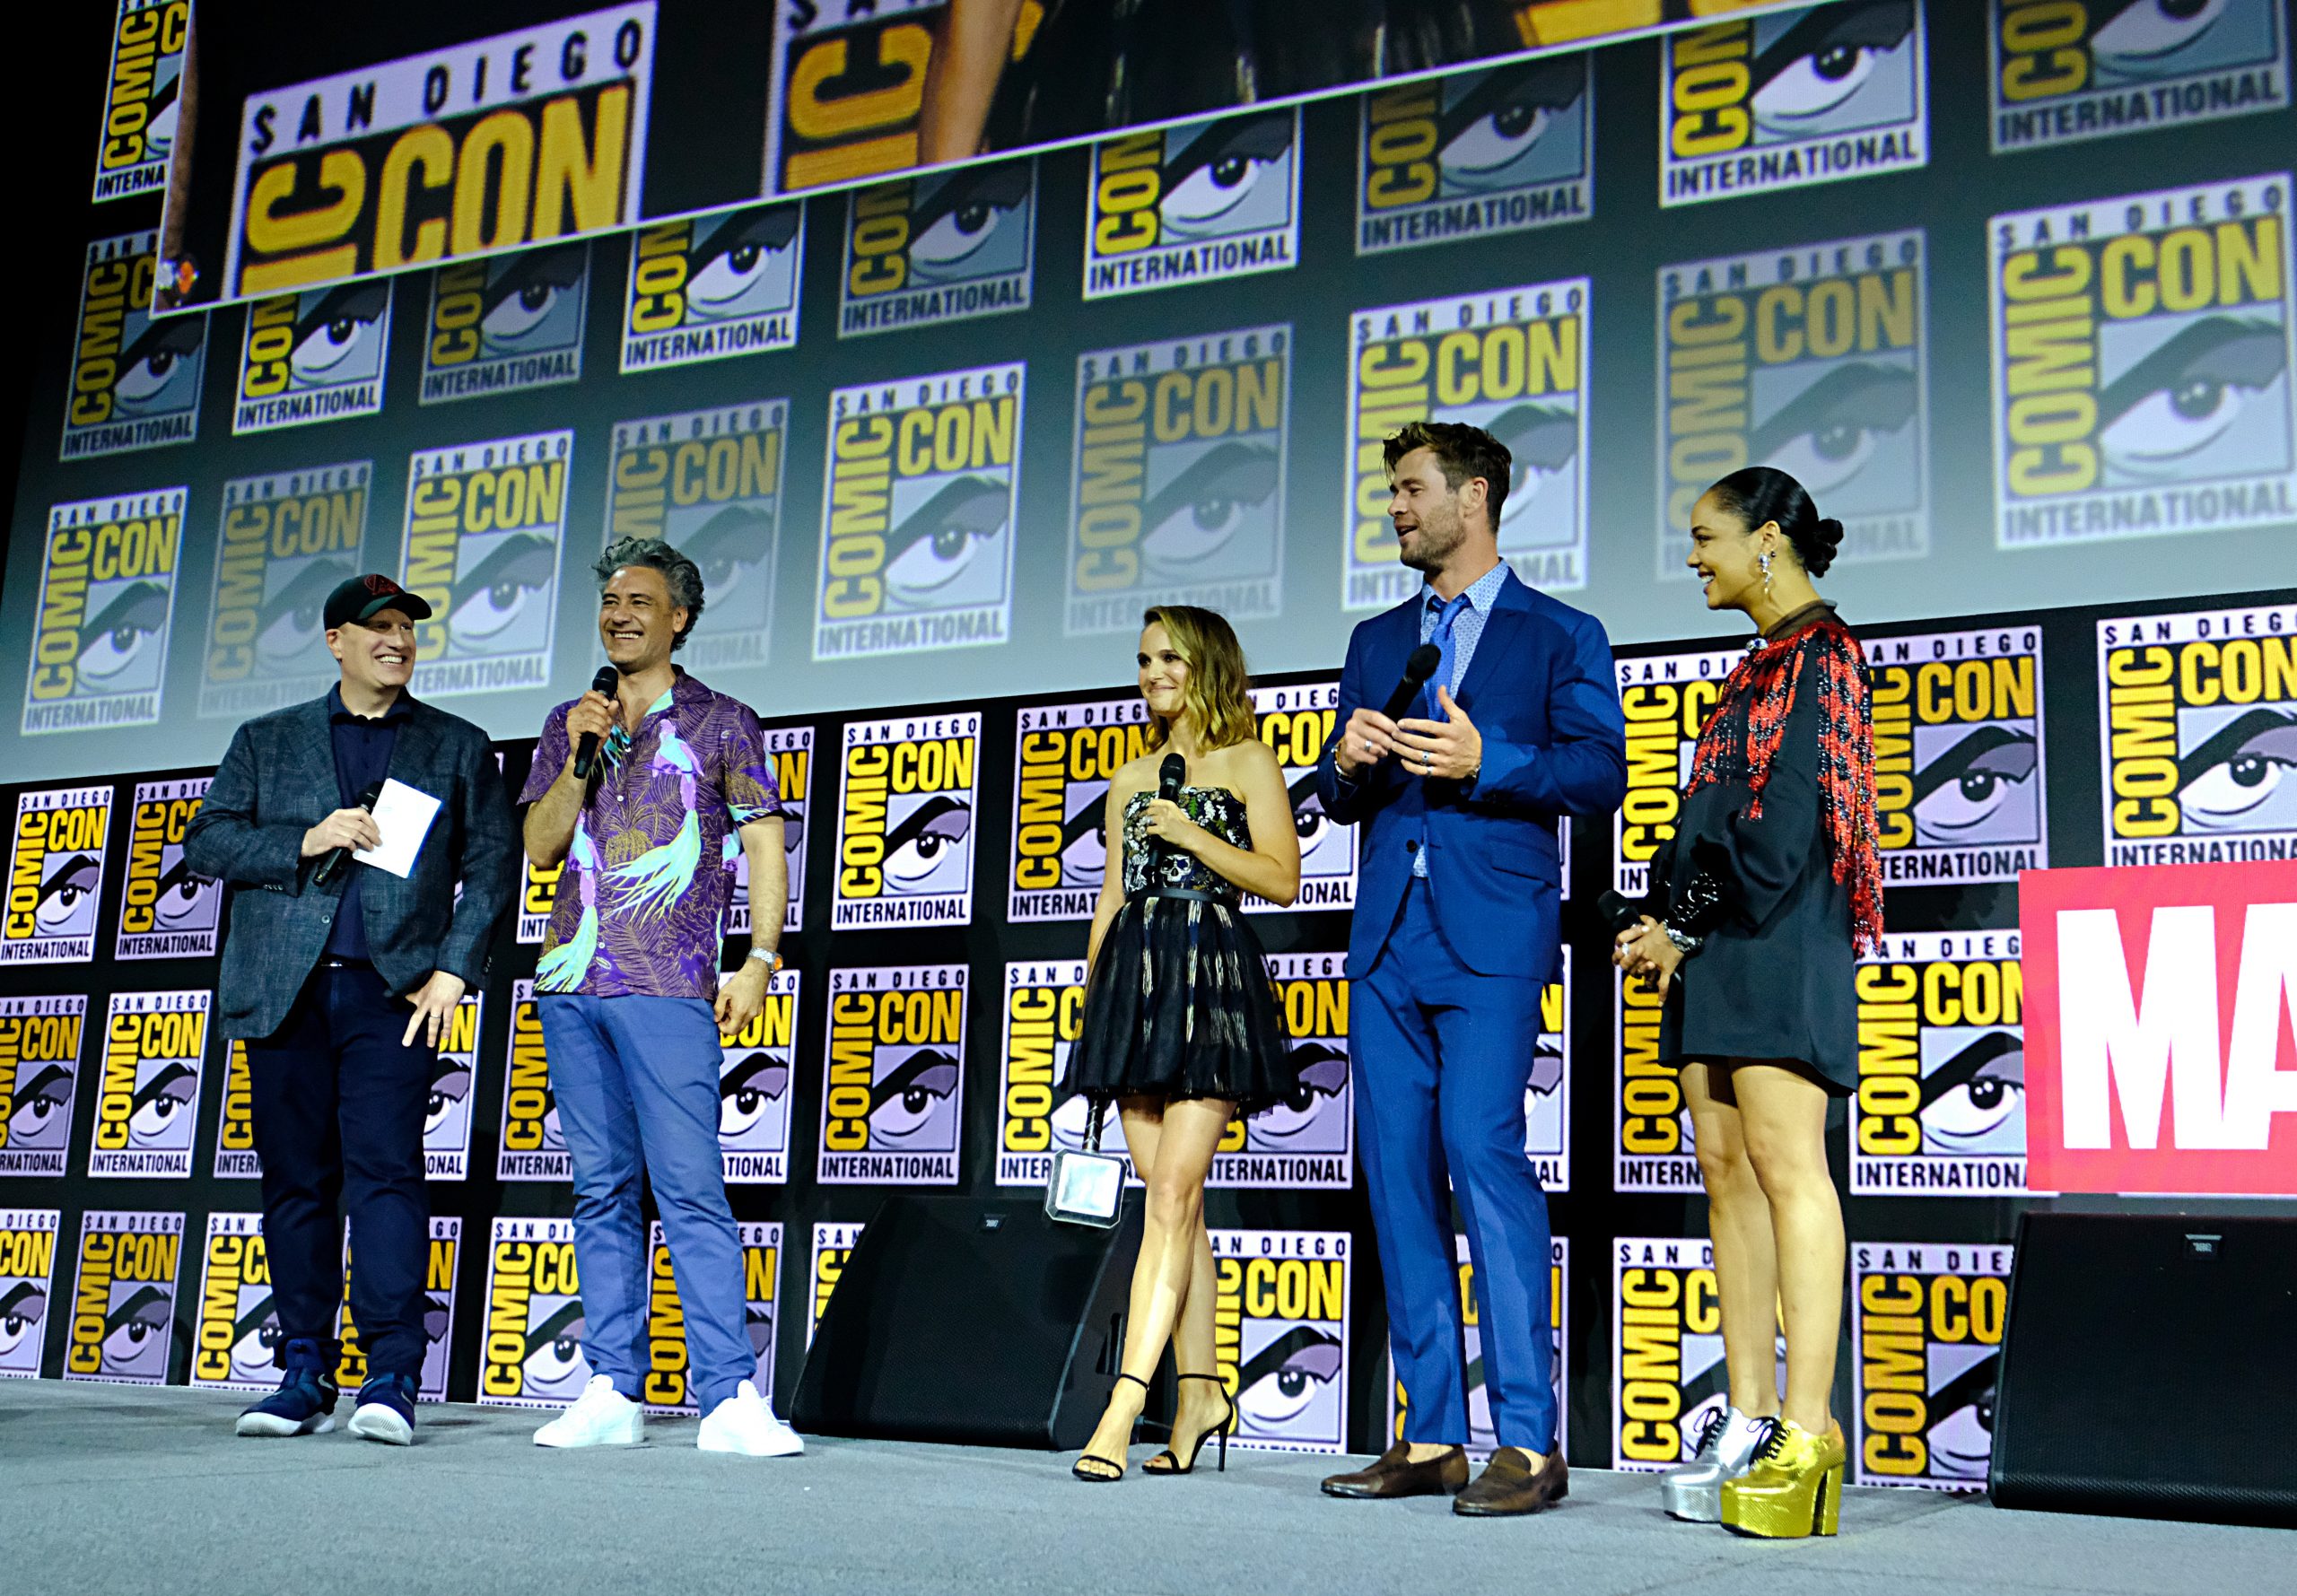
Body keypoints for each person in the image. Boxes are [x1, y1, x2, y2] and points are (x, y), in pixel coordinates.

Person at [1314, 421, 1625, 1516]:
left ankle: (1528, 1442)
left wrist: (1490, 759)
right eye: (1392, 491)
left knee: (1482, 1155)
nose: (1395, 509)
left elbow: (1599, 775)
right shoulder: (1375, 638)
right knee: (1396, 1176)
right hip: (1387, 936)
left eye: (1411, 489)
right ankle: (1433, 1433)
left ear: (1474, 495)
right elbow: (1338, 797)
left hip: (1490, 935)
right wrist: (1342, 762)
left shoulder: (1560, 633)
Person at [186, 573, 516, 1445]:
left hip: (392, 993)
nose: (397, 640)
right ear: (336, 641)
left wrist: (454, 971)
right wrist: (305, 838)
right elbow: (207, 841)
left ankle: (392, 1373)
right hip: (284, 991)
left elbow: (491, 868)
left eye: (407, 627)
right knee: (297, 1182)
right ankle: (302, 1371)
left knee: (387, 1177)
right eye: (379, 627)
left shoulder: (457, 744)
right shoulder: (267, 738)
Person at [1614, 466, 1881, 1539]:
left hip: (1778, 940)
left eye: (1705, 537)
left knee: (1785, 1165)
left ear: (1767, 539)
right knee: (1725, 1172)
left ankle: (1811, 1430)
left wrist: (1683, 924)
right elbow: (1710, 818)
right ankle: (1752, 1415)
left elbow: (1783, 829)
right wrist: (1661, 917)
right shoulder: (1754, 667)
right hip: (1717, 945)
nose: (1693, 558)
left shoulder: (1825, 655)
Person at [517, 537, 799, 1457]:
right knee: (600, 1190)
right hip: (570, 979)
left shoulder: (723, 720)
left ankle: (728, 1395)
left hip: (669, 982)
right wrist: (577, 754)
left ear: (678, 617)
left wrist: (759, 960)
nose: (619, 614)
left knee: (688, 1187)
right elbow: (542, 847)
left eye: (639, 600)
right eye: (609, 600)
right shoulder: (571, 719)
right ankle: (612, 1386)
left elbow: (764, 844)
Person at [1061, 606, 1303, 1482]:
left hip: (1212, 987)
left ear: (1206, 663)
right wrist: (1095, 1007)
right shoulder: (1129, 778)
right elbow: (1110, 902)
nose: (1152, 672)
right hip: (1135, 994)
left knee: (1170, 1195)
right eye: (1142, 659)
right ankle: (1200, 1393)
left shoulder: (1249, 762)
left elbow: (1282, 878)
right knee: (1178, 1207)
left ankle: (1124, 1406)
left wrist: (1192, 834)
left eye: (1168, 656)